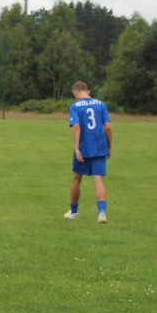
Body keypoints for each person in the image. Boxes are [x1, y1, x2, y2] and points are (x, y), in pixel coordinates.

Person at [65, 81, 112, 223]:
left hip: (84, 148)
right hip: (99, 147)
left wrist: (76, 147)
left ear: (75, 93)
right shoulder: (101, 104)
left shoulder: (75, 106)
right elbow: (108, 127)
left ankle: (73, 212)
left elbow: (77, 127)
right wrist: (109, 146)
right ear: (88, 91)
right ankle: (102, 212)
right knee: (98, 180)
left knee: (76, 178)